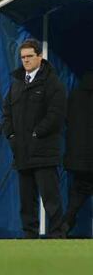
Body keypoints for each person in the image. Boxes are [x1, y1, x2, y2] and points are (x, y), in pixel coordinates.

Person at [3, 39, 66, 239]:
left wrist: (36, 134)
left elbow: (56, 115)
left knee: (51, 197)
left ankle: (57, 234)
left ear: (40, 56)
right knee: (26, 199)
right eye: (23, 57)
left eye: (30, 56)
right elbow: (7, 112)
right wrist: (11, 135)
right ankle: (29, 234)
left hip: (44, 150)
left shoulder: (52, 82)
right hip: (21, 151)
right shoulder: (17, 83)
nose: (26, 61)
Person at [61, 73, 93, 236]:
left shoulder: (74, 95)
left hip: (78, 156)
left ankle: (67, 222)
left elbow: (65, 119)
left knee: (79, 191)